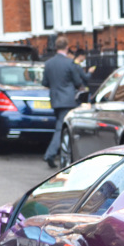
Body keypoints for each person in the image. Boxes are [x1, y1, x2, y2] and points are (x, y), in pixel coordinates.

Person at [42, 37, 90, 169]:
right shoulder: (70, 63)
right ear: (67, 47)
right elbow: (77, 82)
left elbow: (45, 83)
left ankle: (57, 153)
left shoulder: (49, 63)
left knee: (60, 127)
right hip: (68, 100)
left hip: (55, 100)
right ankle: (50, 154)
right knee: (61, 129)